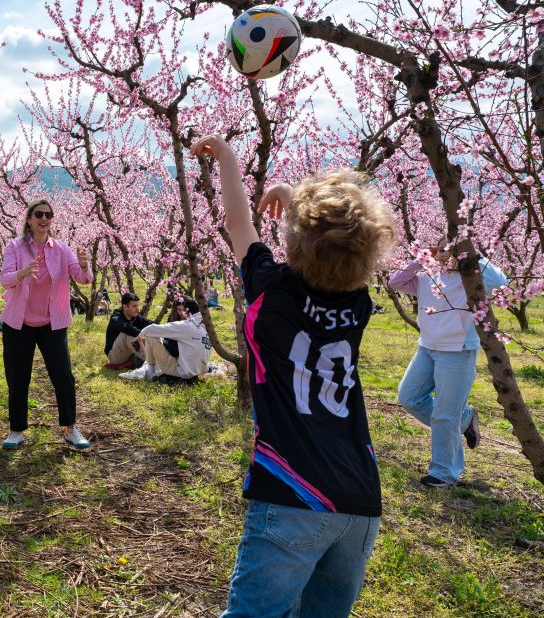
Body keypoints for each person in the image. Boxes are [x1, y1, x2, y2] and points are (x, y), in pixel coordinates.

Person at [191, 134, 397, 618]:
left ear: (292, 244)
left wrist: (227, 156)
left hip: (292, 493)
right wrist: (292, 200)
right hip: (359, 499)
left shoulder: (271, 292)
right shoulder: (359, 305)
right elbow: (332, 250)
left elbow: (238, 222)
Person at [388, 238, 507, 487]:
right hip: (426, 348)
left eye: (452, 250)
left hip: (457, 351)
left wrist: (474, 257)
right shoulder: (427, 276)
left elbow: (500, 283)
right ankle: (464, 419)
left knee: (445, 415)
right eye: (441, 249)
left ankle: (444, 472)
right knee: (409, 397)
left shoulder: (471, 280)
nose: (445, 254)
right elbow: (395, 282)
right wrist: (421, 257)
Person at [0, 200, 93, 451]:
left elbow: (82, 278)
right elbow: (4, 279)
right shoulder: (15, 247)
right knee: (18, 377)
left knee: (63, 376)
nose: (44, 218)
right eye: (39, 214)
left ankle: (70, 428)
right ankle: (16, 430)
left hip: (53, 322)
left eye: (48, 215)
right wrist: (21, 274)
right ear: (29, 219)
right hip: (18, 323)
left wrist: (84, 265)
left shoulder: (61, 249)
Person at [118, 296, 209, 381]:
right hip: (199, 370)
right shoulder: (206, 325)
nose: (181, 313)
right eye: (179, 310)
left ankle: (150, 371)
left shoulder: (186, 325)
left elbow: (151, 329)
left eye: (183, 310)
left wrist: (139, 337)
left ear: (187, 311)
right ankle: (148, 367)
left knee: (150, 335)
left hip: (184, 372)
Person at [104, 292, 154, 368]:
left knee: (149, 331)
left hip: (128, 353)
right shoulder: (116, 318)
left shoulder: (135, 317)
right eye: (134, 306)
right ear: (125, 307)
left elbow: (148, 323)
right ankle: (149, 361)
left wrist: (161, 329)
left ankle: (151, 359)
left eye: (138, 305)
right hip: (115, 356)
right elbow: (127, 328)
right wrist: (143, 335)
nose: (137, 309)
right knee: (127, 333)